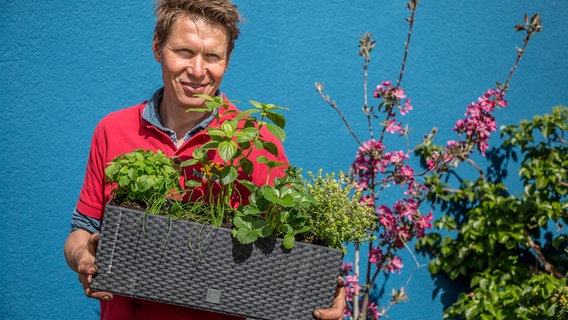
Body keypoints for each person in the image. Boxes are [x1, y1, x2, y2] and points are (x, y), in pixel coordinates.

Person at [63, 0, 346, 319]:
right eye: (184, 51)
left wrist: (326, 288)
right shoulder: (112, 129)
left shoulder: (255, 142)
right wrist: (82, 257)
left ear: (227, 60)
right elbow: (82, 229)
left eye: (212, 56)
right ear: (158, 47)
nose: (197, 71)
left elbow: (295, 241)